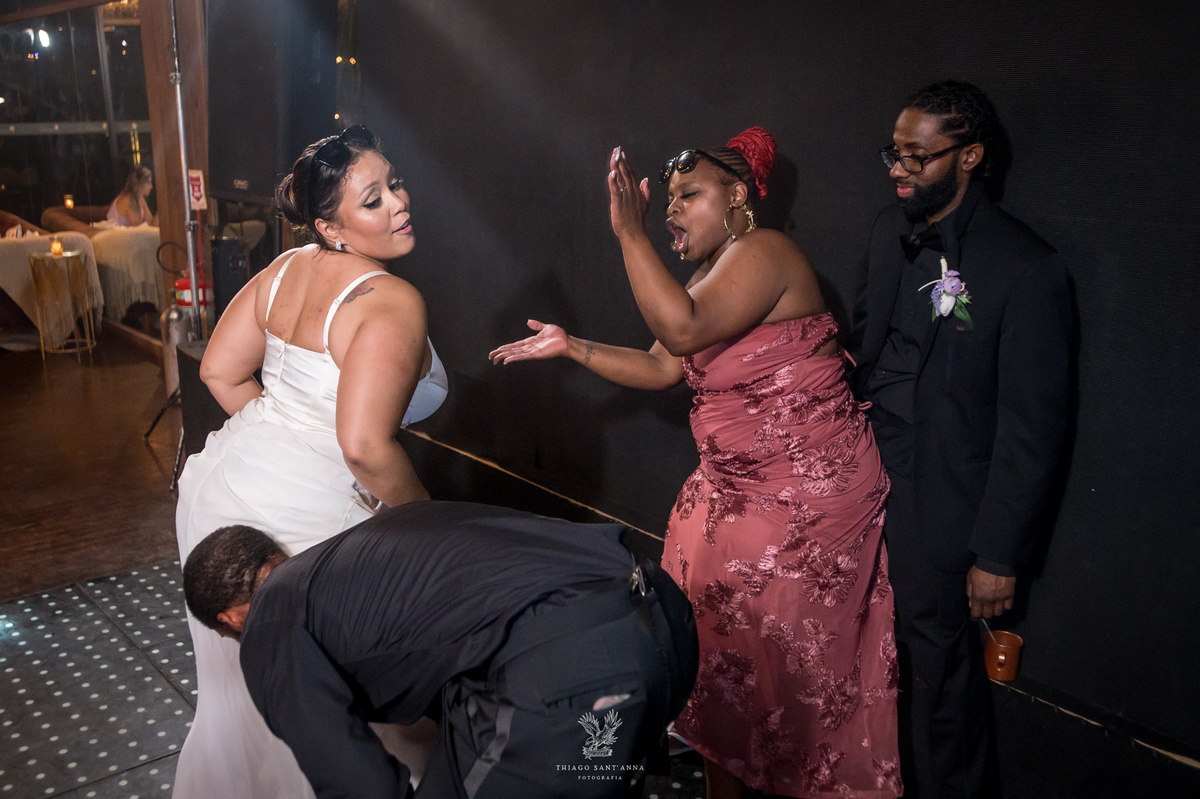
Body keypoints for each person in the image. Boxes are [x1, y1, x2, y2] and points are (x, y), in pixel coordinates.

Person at [490, 130, 901, 799]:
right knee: (723, 681)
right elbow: (662, 365)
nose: (673, 209)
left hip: (801, 506)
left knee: (794, 686)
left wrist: (630, 233)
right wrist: (572, 346)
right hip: (732, 497)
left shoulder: (766, 252)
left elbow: (681, 329)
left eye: (689, 194)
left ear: (737, 195)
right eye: (668, 199)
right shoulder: (711, 274)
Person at [173, 124, 448, 799]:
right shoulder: (391, 299)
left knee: (250, 697)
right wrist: (435, 528)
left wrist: (284, 441)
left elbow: (218, 371)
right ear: (331, 226)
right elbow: (363, 447)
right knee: (349, 712)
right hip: (298, 523)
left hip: (215, 494)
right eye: (373, 200)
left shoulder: (285, 268)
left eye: (395, 183)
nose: (399, 203)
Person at [849, 81, 1073, 798]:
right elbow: (864, 344)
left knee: (942, 677)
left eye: (917, 156)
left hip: (939, 503)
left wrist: (999, 554)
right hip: (858, 479)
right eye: (894, 152)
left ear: (969, 156)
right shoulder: (886, 230)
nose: (898, 168)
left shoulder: (1026, 268)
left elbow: (1033, 429)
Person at [182, 500, 699, 799]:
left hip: (576, 671)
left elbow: (353, 779)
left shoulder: (269, 622)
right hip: (663, 622)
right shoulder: (371, 542)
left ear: (230, 619)